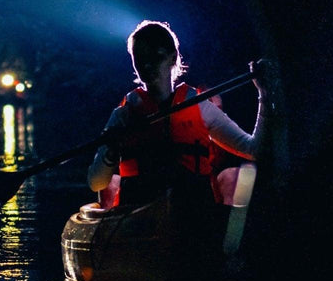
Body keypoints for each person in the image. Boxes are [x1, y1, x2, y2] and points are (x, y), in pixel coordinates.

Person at [87, 20, 274, 210]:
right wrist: (111, 148)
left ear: (172, 57)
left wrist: (264, 95)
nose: (147, 64)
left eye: (155, 56)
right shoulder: (124, 115)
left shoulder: (200, 106)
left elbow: (254, 149)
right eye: (140, 57)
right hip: (139, 222)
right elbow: (96, 183)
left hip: (192, 214)